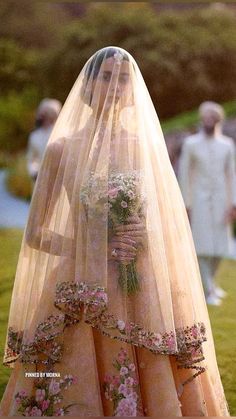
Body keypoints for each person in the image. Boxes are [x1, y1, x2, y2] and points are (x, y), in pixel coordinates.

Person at [0, 47, 229, 416]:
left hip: (141, 285)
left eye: (122, 78)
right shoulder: (60, 150)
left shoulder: (143, 147)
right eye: (105, 76)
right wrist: (89, 245)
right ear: (88, 86)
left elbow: (166, 222)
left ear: (131, 88)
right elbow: (35, 233)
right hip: (80, 285)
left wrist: (143, 231)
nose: (114, 85)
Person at [179, 101, 236, 306]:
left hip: (222, 200)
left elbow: (231, 174)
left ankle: (211, 283)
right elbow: (185, 173)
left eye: (213, 118)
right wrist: (186, 202)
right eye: (206, 117)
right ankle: (208, 289)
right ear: (202, 119)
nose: (209, 121)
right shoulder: (191, 144)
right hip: (199, 201)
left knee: (220, 248)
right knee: (201, 246)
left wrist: (233, 203)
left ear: (218, 120)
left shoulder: (227, 145)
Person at [27, 98, 62, 182]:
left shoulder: (61, 133)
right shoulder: (34, 136)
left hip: (59, 178)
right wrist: (34, 172)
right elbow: (31, 158)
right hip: (40, 178)